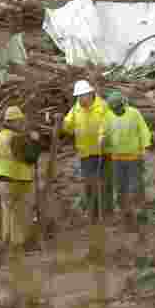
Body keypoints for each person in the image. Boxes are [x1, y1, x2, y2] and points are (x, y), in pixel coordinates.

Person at [61, 80, 115, 223]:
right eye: (78, 97)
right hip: (85, 153)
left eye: (82, 96)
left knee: (105, 182)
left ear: (90, 94)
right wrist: (61, 122)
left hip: (103, 151)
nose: (80, 99)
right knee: (89, 184)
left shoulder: (103, 106)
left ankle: (108, 211)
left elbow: (111, 124)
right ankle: (93, 213)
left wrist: (105, 135)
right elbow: (68, 126)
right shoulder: (76, 109)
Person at [98, 90, 152, 229]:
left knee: (136, 185)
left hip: (134, 156)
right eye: (114, 109)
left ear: (124, 104)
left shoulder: (134, 113)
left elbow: (143, 130)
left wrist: (145, 147)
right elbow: (104, 132)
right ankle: (125, 213)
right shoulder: (108, 116)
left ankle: (141, 212)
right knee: (120, 187)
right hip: (116, 158)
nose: (117, 111)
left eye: (119, 108)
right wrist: (102, 139)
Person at [0, 105, 42, 249]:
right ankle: (17, 247)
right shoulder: (16, 138)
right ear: (13, 122)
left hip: (2, 181)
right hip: (19, 181)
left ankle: (6, 242)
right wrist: (35, 141)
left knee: (7, 214)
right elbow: (30, 158)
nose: (22, 124)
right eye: (20, 121)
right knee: (20, 215)